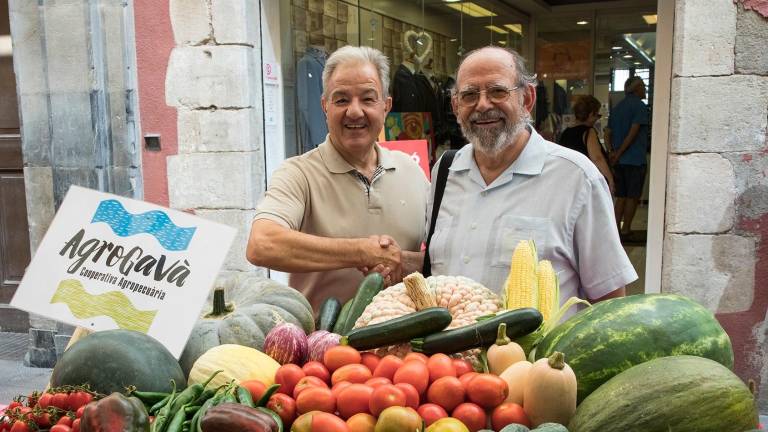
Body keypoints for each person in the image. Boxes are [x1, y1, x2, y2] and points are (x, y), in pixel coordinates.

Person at [425, 46, 636, 307]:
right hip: (444, 350)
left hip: (539, 349)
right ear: (456, 106)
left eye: (497, 91)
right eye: (469, 95)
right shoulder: (444, 172)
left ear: (527, 99)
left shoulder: (576, 178)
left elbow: (610, 301)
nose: (482, 105)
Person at [246, 46, 429, 310]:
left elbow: (446, 251)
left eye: (367, 99)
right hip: (324, 345)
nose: (354, 112)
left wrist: (404, 261)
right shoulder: (298, 174)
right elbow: (262, 244)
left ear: (386, 106)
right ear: (324, 106)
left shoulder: (412, 171)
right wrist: (360, 252)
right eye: (341, 100)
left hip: (409, 344)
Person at [605, 76, 650, 239]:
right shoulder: (639, 107)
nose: (645, 89)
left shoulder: (617, 108)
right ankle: (626, 229)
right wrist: (620, 152)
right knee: (632, 196)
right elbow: (634, 131)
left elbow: (607, 132)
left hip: (619, 161)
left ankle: (616, 229)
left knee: (621, 196)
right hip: (634, 159)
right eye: (643, 86)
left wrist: (612, 152)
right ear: (636, 88)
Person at [559, 95, 615, 193]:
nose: (597, 119)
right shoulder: (589, 132)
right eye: (597, 115)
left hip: (568, 180)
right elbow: (597, 158)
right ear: (590, 114)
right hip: (584, 182)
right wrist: (610, 178)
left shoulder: (566, 133)